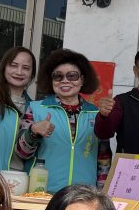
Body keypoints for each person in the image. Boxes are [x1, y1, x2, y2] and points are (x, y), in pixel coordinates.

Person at [16, 49, 111, 193]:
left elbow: (104, 160)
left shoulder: (96, 114)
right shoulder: (36, 109)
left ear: (82, 80)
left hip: (84, 196)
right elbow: (21, 153)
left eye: (72, 76)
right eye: (58, 76)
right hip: (42, 194)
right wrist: (33, 131)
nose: (65, 80)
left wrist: (101, 194)